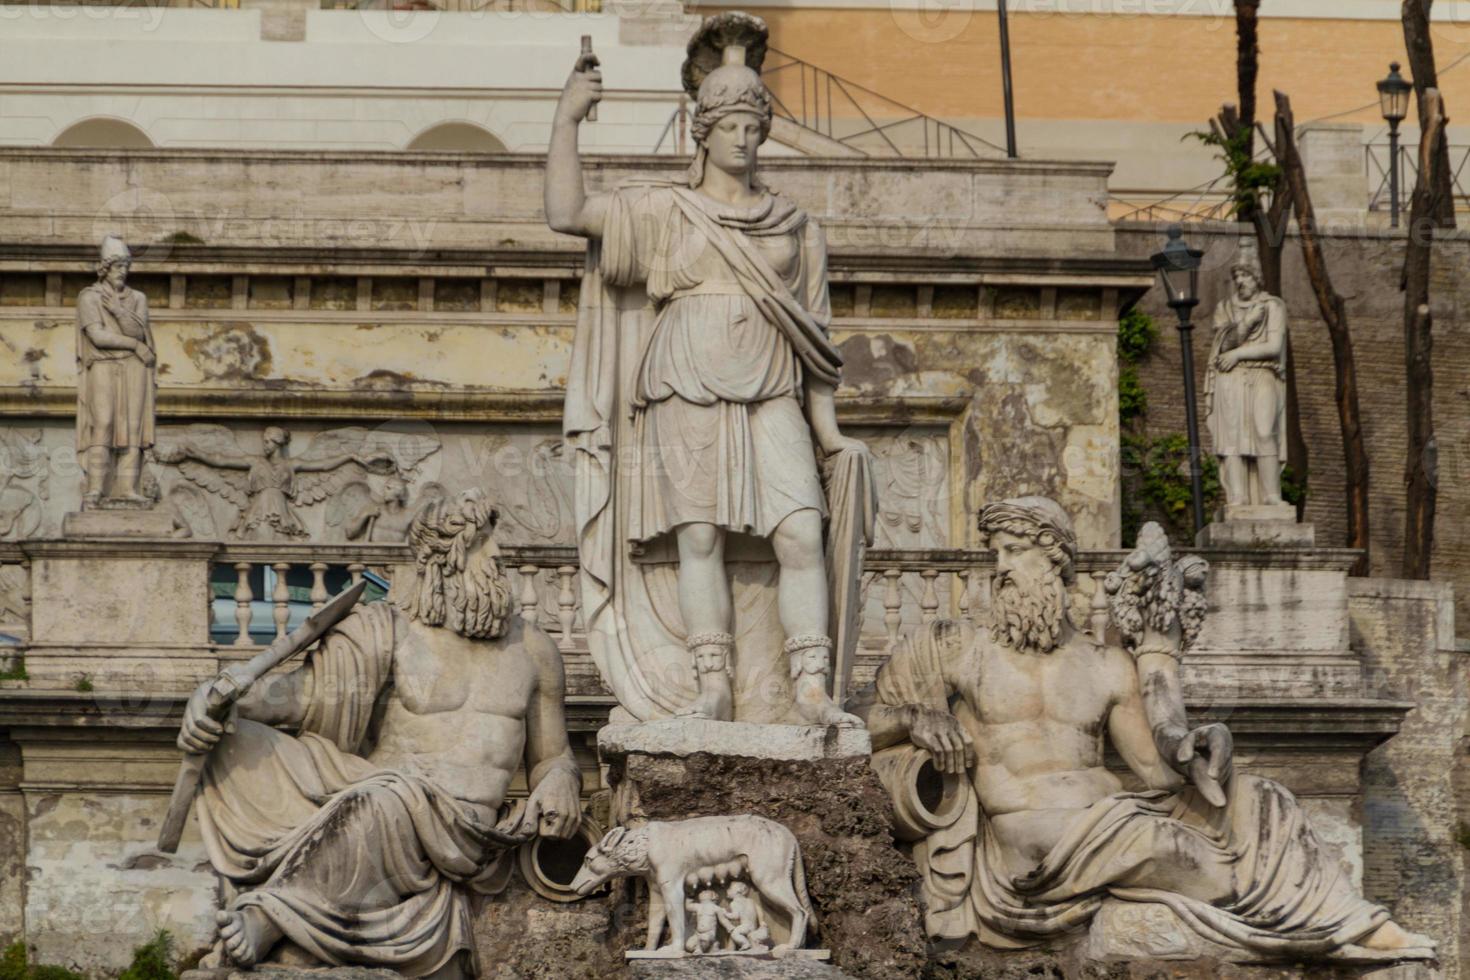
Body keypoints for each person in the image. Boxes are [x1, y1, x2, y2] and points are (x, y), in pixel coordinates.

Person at [858, 496, 1434, 959]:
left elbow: (1156, 767)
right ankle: (1328, 928)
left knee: (1263, 799)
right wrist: (916, 718)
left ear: (1054, 560)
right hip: (1031, 838)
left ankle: (1353, 923)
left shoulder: (1105, 664)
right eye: (997, 552)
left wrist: (1200, 746)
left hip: (1111, 817)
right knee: (1163, 842)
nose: (999, 567)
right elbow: (859, 722)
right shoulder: (957, 648)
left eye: (1012, 551)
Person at [547, 13, 871, 727]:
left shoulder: (796, 226)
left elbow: (817, 342)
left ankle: (811, 686)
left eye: (755, 123)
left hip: (771, 381)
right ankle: (713, 683)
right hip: (682, 377)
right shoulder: (666, 211)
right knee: (699, 538)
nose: (745, 136)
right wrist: (568, 119)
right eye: (730, 124)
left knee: (798, 533)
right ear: (704, 129)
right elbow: (567, 213)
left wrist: (830, 431)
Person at [178, 489, 582, 975]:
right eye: (483, 545)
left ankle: (271, 916)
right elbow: (300, 699)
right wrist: (220, 701)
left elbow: (553, 756)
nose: (499, 556)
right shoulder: (388, 632)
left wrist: (560, 778)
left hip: (468, 833)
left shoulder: (534, 649)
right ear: (445, 559)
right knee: (247, 741)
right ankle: (284, 915)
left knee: (386, 797)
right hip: (382, 799)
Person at [1204, 249, 1288, 508]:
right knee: (1232, 436)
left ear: (1257, 278)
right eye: (1237, 276)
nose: (1241, 281)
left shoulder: (1273, 306)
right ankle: (1237, 496)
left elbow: (1274, 346)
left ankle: (1271, 495)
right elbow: (1223, 344)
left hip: (1262, 372)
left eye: (1246, 275)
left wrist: (1239, 353)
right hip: (1230, 377)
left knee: (1264, 431)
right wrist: (1247, 324)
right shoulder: (1224, 308)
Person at [76, 236, 155, 507]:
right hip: (103, 364)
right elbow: (97, 336)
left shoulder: (138, 298)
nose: (123, 271)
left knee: (134, 428)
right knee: (104, 423)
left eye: (125, 266)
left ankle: (128, 489)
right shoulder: (89, 297)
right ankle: (96, 489)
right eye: (118, 266)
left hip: (134, 367)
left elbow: (139, 332)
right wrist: (133, 344)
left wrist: (121, 313)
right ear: (105, 268)